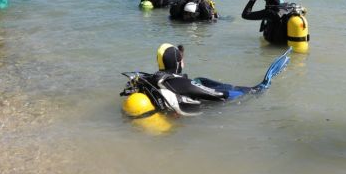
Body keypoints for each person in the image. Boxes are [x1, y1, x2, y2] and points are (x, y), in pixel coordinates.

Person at [120, 44, 291, 117]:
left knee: (199, 79)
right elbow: (219, 96)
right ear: (179, 62)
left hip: (168, 97)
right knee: (215, 87)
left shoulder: (151, 78)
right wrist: (252, 90)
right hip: (194, 103)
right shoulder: (183, 84)